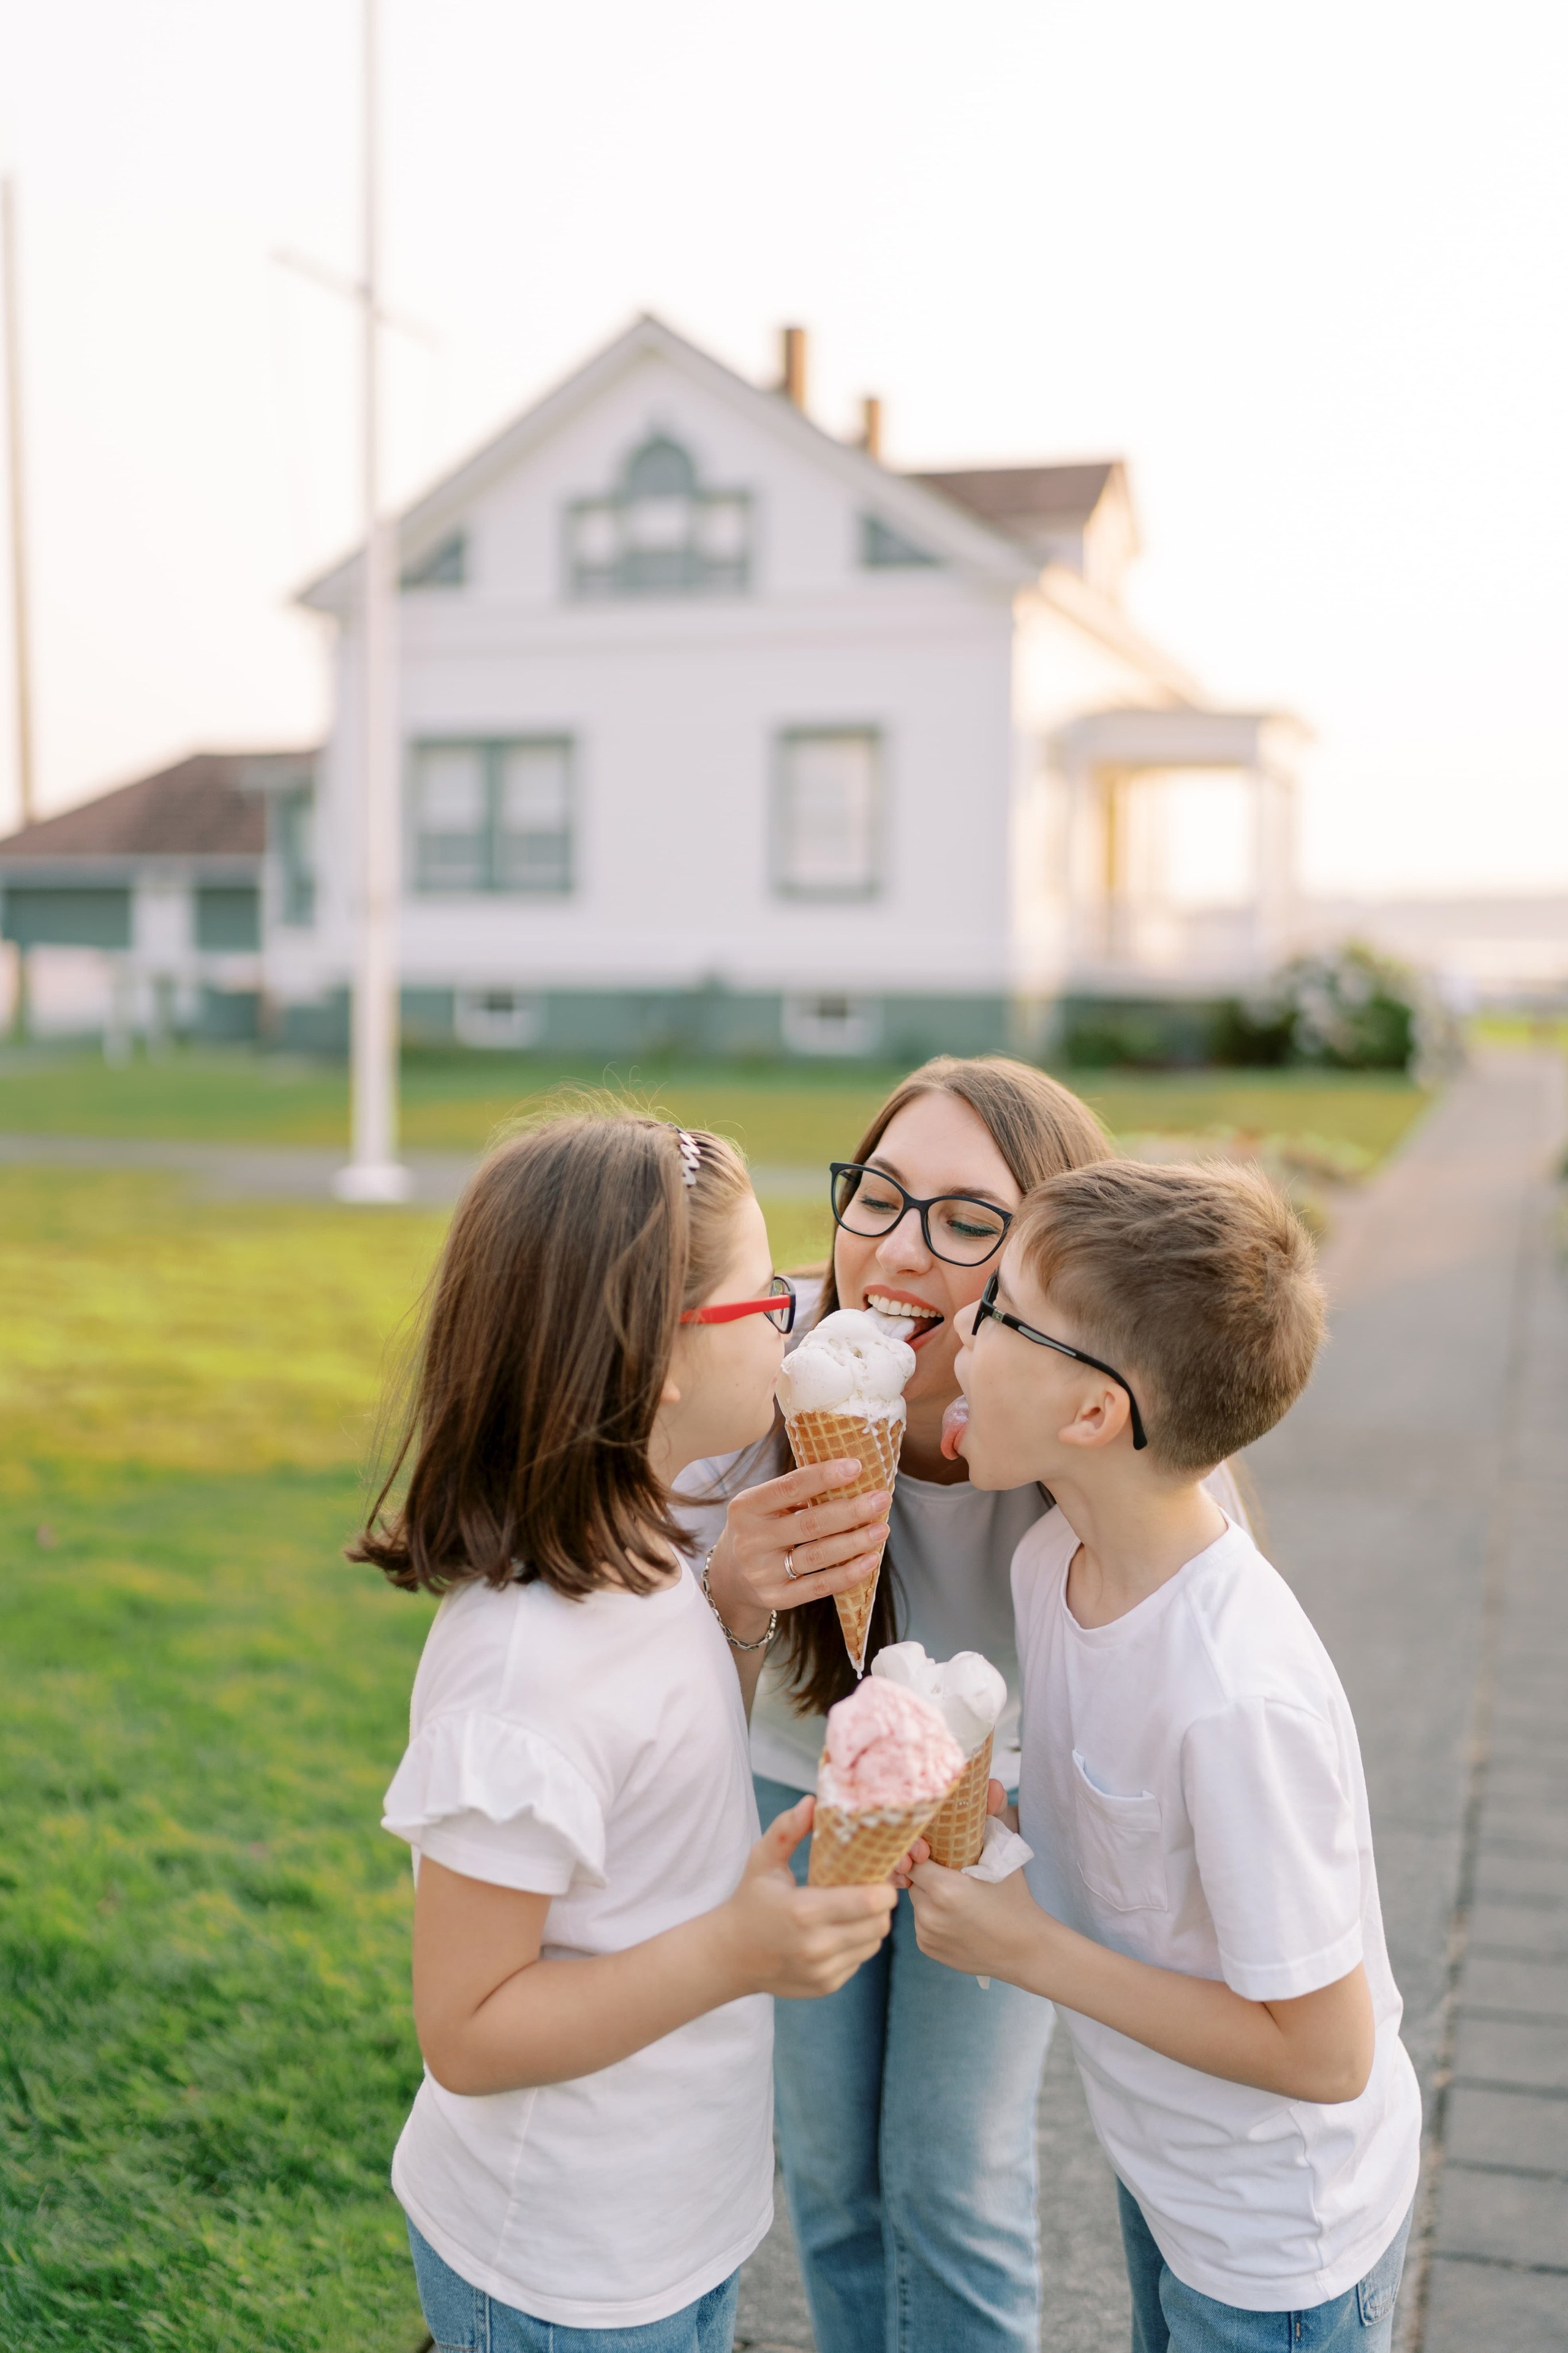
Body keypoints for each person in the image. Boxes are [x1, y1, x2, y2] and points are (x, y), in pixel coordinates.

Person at [681, 1056, 1250, 2353]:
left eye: (968, 1221)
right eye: (878, 1196)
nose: (896, 1249)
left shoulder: (1093, 1428)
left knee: (950, 2167)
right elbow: (643, 1684)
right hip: (797, 1784)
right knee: (830, 2167)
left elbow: (1200, 1652)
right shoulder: (758, 1380)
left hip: (995, 1813)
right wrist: (732, 1593)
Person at [354, 1112, 896, 2353]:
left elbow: (658, 1783)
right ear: (657, 1360)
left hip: (672, 2216)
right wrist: (736, 1949)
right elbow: (469, 2028)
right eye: (763, 1296)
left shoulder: (645, 1547)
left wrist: (736, 1615)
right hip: (563, 2269)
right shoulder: (520, 1675)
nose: (791, 1320)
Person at [903, 1158, 1422, 2352]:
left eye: (999, 1310)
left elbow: (1327, 2051)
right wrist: (996, 1810)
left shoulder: (1236, 1695)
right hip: (1170, 2167)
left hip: (1279, 2243)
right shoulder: (1053, 1561)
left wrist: (1026, 1949)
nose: (963, 1328)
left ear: (1093, 1414)